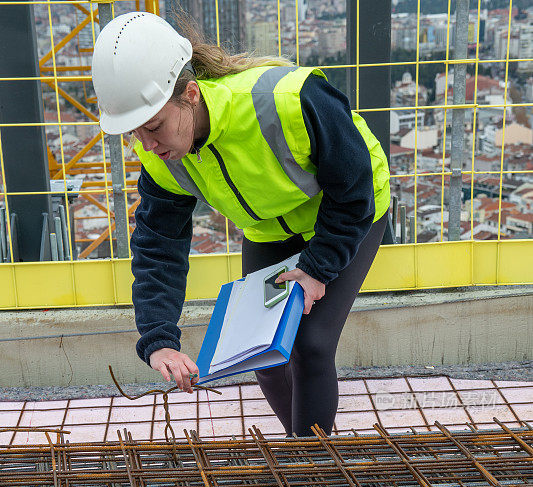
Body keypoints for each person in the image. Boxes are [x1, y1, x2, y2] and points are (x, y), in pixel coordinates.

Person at [92, 11, 390, 436]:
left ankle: (313, 473)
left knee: (311, 345)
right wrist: (158, 339)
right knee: (263, 356)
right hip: (270, 229)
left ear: (191, 94)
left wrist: (320, 266)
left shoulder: (288, 99)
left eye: (154, 126)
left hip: (348, 212)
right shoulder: (159, 159)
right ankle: (305, 453)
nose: (148, 145)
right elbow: (159, 245)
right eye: (134, 134)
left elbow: (354, 180)